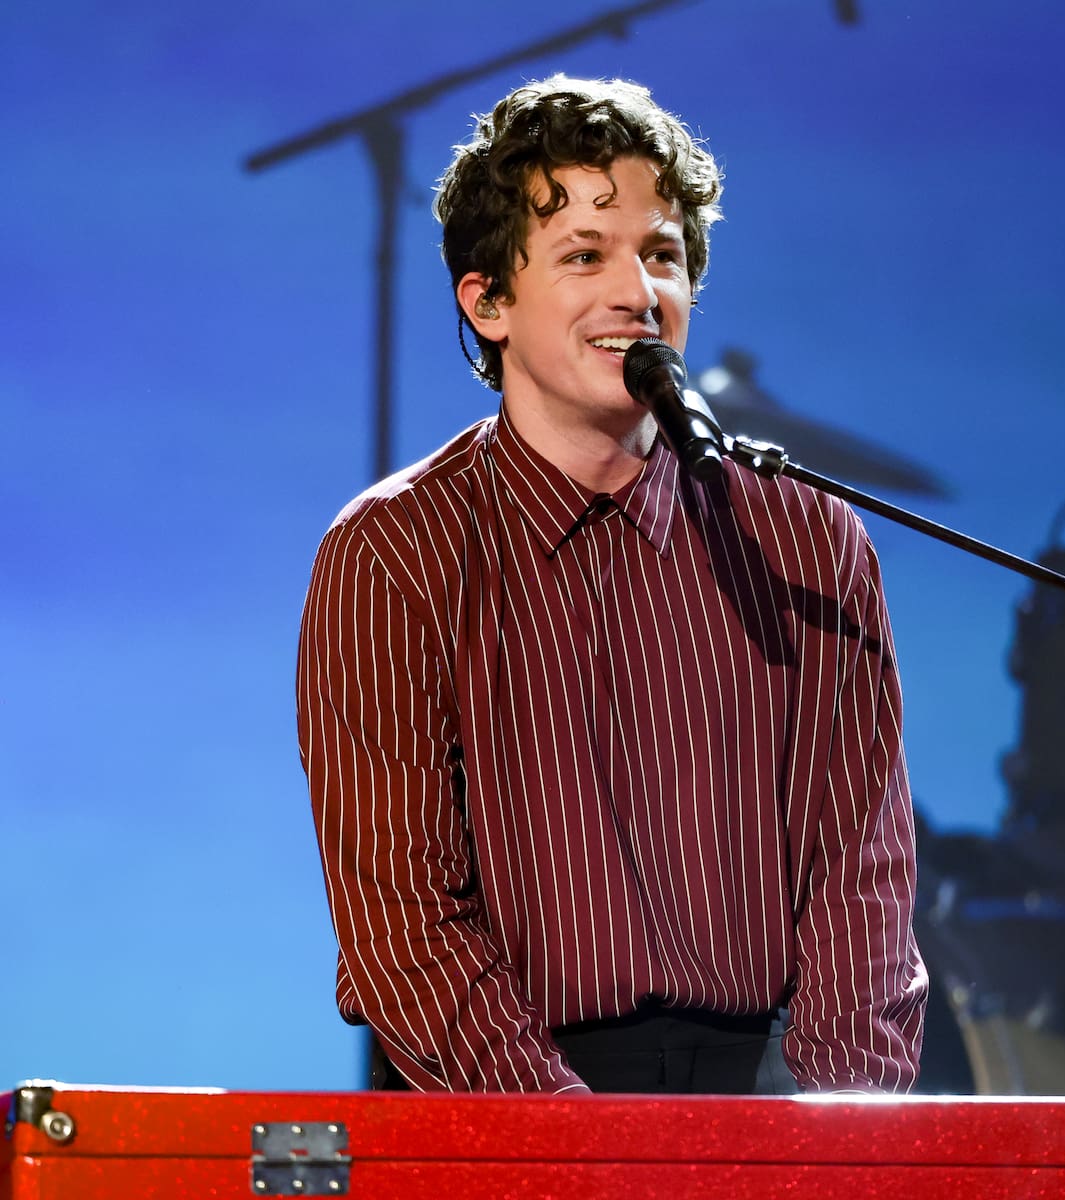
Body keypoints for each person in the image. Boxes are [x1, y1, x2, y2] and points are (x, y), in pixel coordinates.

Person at [296, 74, 926, 1095]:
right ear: (488, 302)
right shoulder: (394, 553)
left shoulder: (808, 538)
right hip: (510, 1105)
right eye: (585, 255)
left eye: (662, 255)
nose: (638, 293)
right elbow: (403, 921)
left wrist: (831, 1143)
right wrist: (573, 1147)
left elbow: (861, 881)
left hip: (769, 1103)